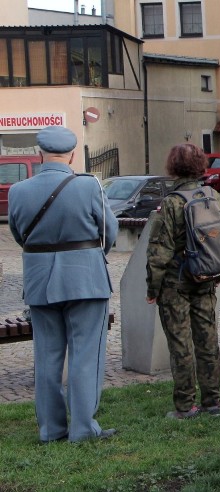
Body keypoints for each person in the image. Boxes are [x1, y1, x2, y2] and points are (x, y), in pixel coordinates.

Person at [8, 125, 118, 443]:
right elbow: (108, 233)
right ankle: (83, 428)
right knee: (86, 354)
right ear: (71, 155)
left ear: (40, 154)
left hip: (40, 281)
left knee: (47, 356)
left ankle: (51, 429)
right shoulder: (89, 186)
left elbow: (19, 237)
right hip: (87, 279)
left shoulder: (19, 191)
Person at [146, 143, 220, 419]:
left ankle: (185, 405)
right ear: (201, 167)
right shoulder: (214, 198)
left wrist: (153, 288)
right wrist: (217, 274)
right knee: (208, 340)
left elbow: (158, 252)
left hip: (176, 284)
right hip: (206, 280)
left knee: (181, 344)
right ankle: (213, 402)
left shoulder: (171, 203)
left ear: (172, 167)